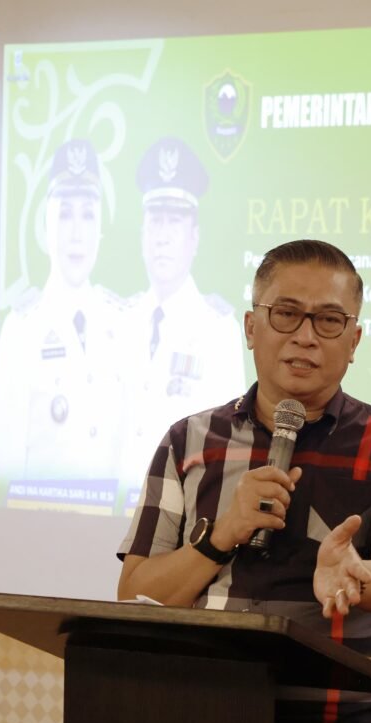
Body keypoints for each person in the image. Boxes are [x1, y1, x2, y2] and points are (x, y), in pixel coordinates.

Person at [117, 239, 371, 723]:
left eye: (329, 320)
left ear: (354, 340)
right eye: (286, 313)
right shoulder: (187, 441)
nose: (305, 337)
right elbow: (136, 594)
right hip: (199, 718)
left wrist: (354, 574)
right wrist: (220, 536)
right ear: (251, 327)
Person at [0, 138, 126, 503]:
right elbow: (5, 465)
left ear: (101, 229)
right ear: (45, 225)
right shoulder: (21, 327)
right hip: (39, 524)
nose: (76, 233)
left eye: (88, 215)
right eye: (65, 214)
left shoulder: (122, 325)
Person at [120, 136, 245, 498]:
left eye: (174, 222)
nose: (162, 237)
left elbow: (230, 447)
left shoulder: (217, 329)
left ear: (194, 237)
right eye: (155, 221)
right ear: (142, 233)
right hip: (111, 508)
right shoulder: (120, 322)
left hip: (186, 509)